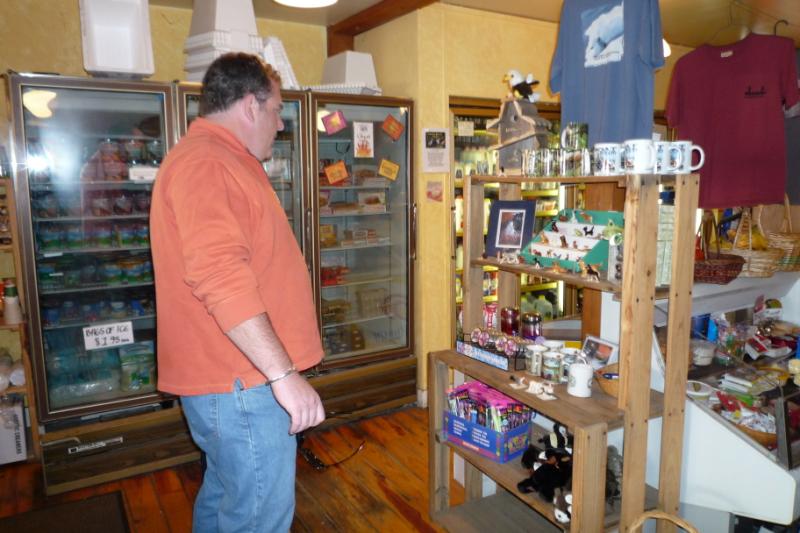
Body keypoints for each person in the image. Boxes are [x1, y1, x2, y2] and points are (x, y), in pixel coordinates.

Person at [150, 52, 325, 532]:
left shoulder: (219, 158)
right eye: (277, 110)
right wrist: (283, 375)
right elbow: (220, 276)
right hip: (244, 384)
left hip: (235, 384)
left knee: (227, 497)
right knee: (258, 517)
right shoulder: (208, 163)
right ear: (251, 105)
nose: (281, 123)